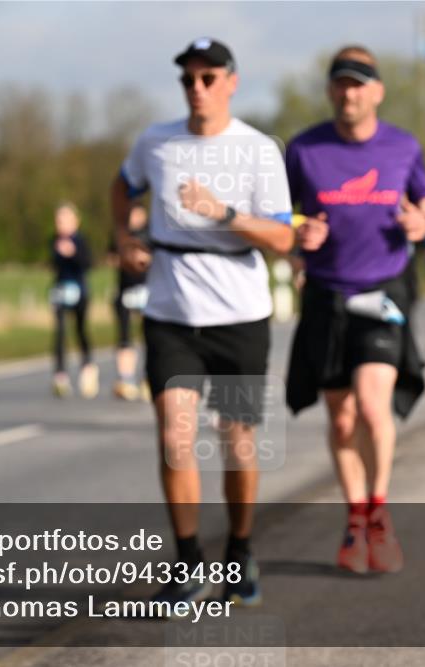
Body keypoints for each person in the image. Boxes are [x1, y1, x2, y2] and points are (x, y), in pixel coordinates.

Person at [111, 37, 293, 606]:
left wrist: (224, 212)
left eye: (208, 77)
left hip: (239, 313)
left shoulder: (259, 150)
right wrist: (124, 237)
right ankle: (187, 559)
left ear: (231, 82)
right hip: (170, 311)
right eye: (188, 78)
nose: (197, 87)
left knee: (238, 442)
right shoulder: (156, 140)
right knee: (175, 438)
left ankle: (239, 549)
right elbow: (122, 185)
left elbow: (284, 237)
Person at [285, 45, 425, 574]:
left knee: (374, 405)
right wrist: (297, 232)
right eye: (340, 84)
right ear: (330, 91)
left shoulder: (403, 146)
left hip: (384, 288)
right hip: (327, 293)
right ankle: (354, 518)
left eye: (358, 84)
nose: (349, 93)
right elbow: (278, 217)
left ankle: (378, 511)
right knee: (342, 415)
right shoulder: (304, 150)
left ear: (377, 91)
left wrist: (421, 222)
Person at [49, 202, 97, 398]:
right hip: (61, 289)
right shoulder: (54, 240)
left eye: (66, 219)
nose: (62, 224)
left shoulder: (81, 240)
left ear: (75, 221)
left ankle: (87, 366)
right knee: (60, 332)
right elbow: (53, 264)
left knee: (79, 329)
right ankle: (60, 374)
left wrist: (73, 254)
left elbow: (88, 264)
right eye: (59, 220)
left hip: (80, 291)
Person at [107, 204, 150, 401]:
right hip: (125, 290)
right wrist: (124, 259)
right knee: (124, 335)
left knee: (149, 336)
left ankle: (148, 378)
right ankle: (125, 379)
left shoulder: (152, 234)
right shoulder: (120, 235)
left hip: (147, 291)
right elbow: (110, 258)